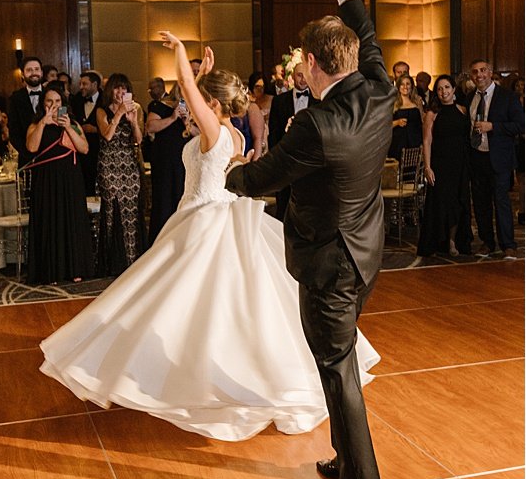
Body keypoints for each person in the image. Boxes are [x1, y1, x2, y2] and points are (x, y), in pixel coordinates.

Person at [41, 32, 380, 448]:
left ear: (212, 105)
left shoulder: (214, 133)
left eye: (201, 101)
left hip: (205, 223)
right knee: (213, 310)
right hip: (216, 218)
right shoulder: (233, 136)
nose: (191, 107)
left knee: (177, 305)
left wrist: (183, 60)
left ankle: (189, 379)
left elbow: (188, 94)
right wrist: (203, 75)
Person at [225, 0, 392, 479]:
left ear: (314, 64)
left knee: (336, 367)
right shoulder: (378, 90)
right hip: (364, 253)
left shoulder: (316, 126)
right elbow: (368, 32)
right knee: (336, 362)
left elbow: (261, 178)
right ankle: (349, 461)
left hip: (328, 264)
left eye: (301, 59)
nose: (297, 66)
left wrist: (228, 166)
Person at [25, 84, 93, 285]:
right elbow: (31, 147)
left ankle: (75, 268)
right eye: (49, 101)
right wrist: (43, 124)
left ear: (63, 103)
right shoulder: (35, 124)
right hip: (46, 180)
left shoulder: (72, 123)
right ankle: (51, 271)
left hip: (70, 179)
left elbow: (84, 148)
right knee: (50, 222)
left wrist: (67, 127)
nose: (54, 105)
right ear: (43, 104)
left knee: (71, 220)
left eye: (57, 102)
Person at [467, 60, 521, 258]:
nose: (479, 75)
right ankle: (487, 242)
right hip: (476, 157)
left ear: (490, 72)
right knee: (480, 203)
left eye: (482, 71)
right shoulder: (470, 97)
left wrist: (493, 126)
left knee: (501, 202)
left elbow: (520, 125)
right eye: (475, 72)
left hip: (499, 159)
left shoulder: (508, 97)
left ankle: (508, 244)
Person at [417, 74, 471, 257]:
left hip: (460, 165)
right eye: (440, 89)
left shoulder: (463, 110)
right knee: (440, 203)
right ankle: (437, 241)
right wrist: (427, 166)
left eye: (447, 87)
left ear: (454, 89)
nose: (443, 92)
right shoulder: (432, 114)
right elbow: (426, 141)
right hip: (440, 165)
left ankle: (453, 241)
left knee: (457, 202)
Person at [95, 73, 144, 276]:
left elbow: (139, 140)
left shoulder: (135, 110)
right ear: (110, 91)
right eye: (117, 88)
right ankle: (113, 262)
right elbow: (106, 134)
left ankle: (134, 258)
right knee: (112, 209)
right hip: (109, 165)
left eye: (124, 88)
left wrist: (132, 121)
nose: (120, 92)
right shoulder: (101, 111)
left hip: (129, 165)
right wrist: (118, 114)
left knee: (132, 209)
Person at [267, 61, 315, 220]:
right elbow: (273, 133)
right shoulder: (279, 101)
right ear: (293, 76)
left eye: (306, 75)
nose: (303, 79)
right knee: (284, 204)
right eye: (299, 75)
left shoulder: (319, 100)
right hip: (285, 160)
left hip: (311, 162)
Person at [145, 79, 189, 245]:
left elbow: (200, 134)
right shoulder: (160, 106)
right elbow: (150, 127)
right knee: (163, 202)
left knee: (181, 198)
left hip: (185, 161)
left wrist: (187, 122)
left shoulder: (197, 109)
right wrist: (172, 117)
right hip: (164, 161)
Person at [69, 70, 103, 196]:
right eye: (80, 84)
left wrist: (95, 130)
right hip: (81, 152)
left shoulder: (105, 100)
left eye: (84, 84)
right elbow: (71, 122)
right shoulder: (76, 99)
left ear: (94, 85)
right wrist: (79, 130)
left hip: (100, 150)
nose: (81, 87)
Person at [7, 56, 45, 167]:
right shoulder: (15, 98)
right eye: (29, 70)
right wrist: (28, 153)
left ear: (42, 72)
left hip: (51, 157)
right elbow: (13, 132)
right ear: (23, 74)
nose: (34, 73)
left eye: (37, 69)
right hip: (27, 159)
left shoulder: (53, 94)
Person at [389, 73, 424, 160]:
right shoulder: (393, 103)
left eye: (408, 84)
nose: (405, 87)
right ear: (398, 86)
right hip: (398, 144)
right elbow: (384, 126)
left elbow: (422, 123)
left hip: (415, 143)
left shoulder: (417, 102)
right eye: (402, 84)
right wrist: (397, 122)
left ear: (412, 86)